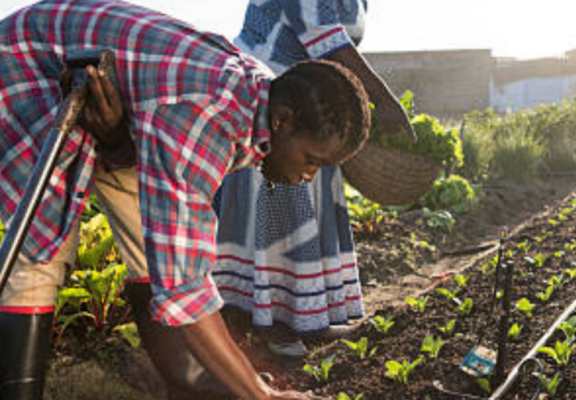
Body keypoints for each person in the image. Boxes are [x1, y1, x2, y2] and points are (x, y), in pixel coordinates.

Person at [0, 1, 371, 400]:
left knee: (149, 244)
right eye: (311, 160)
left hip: (121, 99)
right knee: (40, 253)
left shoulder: (262, 98)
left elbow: (171, 247)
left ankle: (191, 385)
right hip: (29, 62)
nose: (309, 176)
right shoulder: (203, 120)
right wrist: (261, 396)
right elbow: (186, 286)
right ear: (281, 121)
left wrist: (114, 139)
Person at [212, 0, 413, 356]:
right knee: (280, 205)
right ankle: (270, 325)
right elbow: (326, 38)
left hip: (318, 105)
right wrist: (381, 100)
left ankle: (307, 317)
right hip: (276, 98)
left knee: (304, 205)